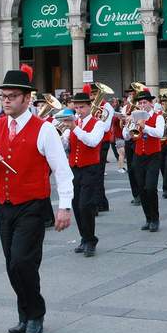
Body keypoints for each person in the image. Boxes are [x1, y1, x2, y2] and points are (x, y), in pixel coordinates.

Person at [0, 69, 74, 333]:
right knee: (11, 264)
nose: (6, 101)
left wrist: (64, 206)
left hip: (33, 205)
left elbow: (62, 170)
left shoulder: (44, 130)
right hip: (5, 205)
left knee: (23, 261)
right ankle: (24, 313)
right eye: (3, 96)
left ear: (27, 99)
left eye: (13, 96)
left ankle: (35, 314)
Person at [66, 88, 109, 254]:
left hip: (91, 168)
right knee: (76, 205)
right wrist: (61, 134)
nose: (78, 111)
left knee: (86, 205)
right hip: (74, 168)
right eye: (76, 108)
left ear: (89, 106)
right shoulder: (74, 123)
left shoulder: (98, 124)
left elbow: (92, 141)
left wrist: (74, 128)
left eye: (82, 107)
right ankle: (84, 238)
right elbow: (66, 144)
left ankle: (91, 239)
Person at [123, 89, 164, 232]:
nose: (142, 105)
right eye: (140, 103)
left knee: (150, 187)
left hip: (154, 155)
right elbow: (127, 137)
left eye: (144, 102)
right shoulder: (135, 116)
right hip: (138, 155)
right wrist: (128, 125)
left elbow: (159, 133)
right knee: (141, 188)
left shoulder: (158, 117)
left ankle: (155, 218)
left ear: (151, 103)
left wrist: (144, 126)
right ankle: (148, 218)